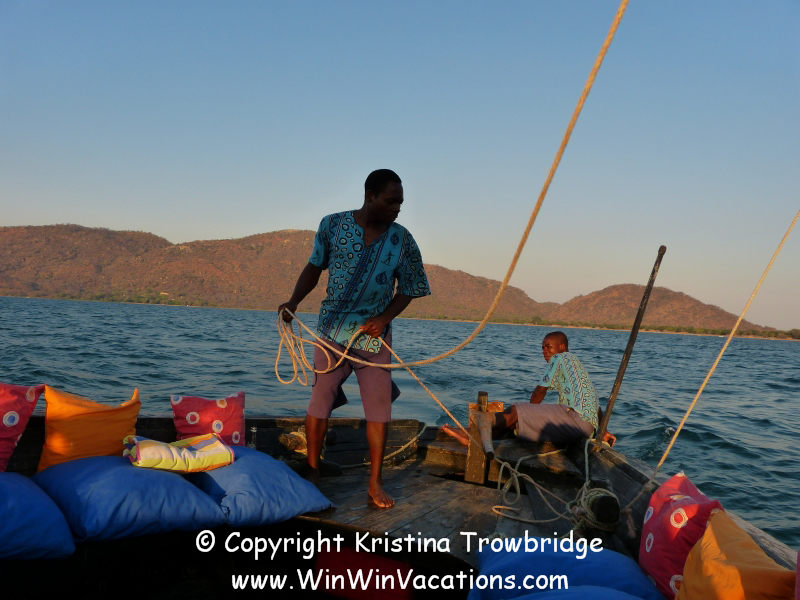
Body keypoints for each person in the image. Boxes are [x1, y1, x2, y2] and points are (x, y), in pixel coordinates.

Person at [278, 169, 430, 508]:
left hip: (374, 341)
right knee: (320, 402)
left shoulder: (402, 239)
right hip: (332, 332)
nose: (397, 208)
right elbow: (314, 267)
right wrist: (293, 302)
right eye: (391, 201)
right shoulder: (332, 225)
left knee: (378, 409)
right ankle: (313, 471)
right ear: (369, 196)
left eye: (401, 203)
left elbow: (411, 287)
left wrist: (384, 318)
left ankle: (375, 482)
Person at [444, 331, 616, 446]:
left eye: (548, 347)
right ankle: (479, 438)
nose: (544, 351)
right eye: (542, 348)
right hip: (585, 427)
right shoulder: (577, 368)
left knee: (516, 410)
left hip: (574, 419)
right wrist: (604, 431)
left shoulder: (561, 358)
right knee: (515, 421)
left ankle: (471, 433)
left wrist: (526, 411)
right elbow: (595, 405)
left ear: (562, 347)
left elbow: (540, 390)